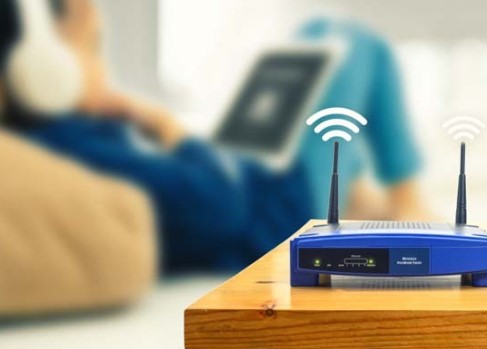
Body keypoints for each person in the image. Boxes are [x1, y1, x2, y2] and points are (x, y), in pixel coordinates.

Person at [0, 0, 426, 273]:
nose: (102, 67)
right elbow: (220, 203)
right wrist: (168, 129)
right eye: (92, 47)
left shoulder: (50, 140)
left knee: (317, 37)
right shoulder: (75, 147)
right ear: (43, 71)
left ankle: (364, 199)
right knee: (356, 43)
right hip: (279, 213)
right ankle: (408, 203)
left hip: (254, 185)